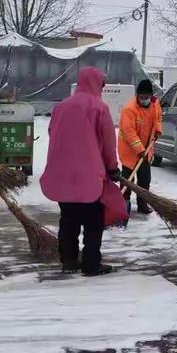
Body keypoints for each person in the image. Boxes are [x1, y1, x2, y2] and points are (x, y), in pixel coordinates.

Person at [40, 67, 126, 276]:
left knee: (68, 219)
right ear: (97, 84)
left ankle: (68, 260)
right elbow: (108, 142)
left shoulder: (61, 107)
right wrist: (112, 168)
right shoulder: (99, 108)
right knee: (93, 222)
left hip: (62, 174)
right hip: (89, 176)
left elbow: (53, 133)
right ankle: (91, 264)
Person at [118, 79, 162, 215]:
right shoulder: (129, 109)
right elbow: (129, 132)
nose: (144, 100)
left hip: (146, 149)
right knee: (128, 178)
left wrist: (158, 130)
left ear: (151, 96)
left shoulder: (155, 105)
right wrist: (140, 149)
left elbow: (158, 119)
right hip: (129, 149)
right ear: (137, 95)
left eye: (147, 97)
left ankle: (143, 204)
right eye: (142, 97)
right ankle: (123, 204)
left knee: (144, 179)